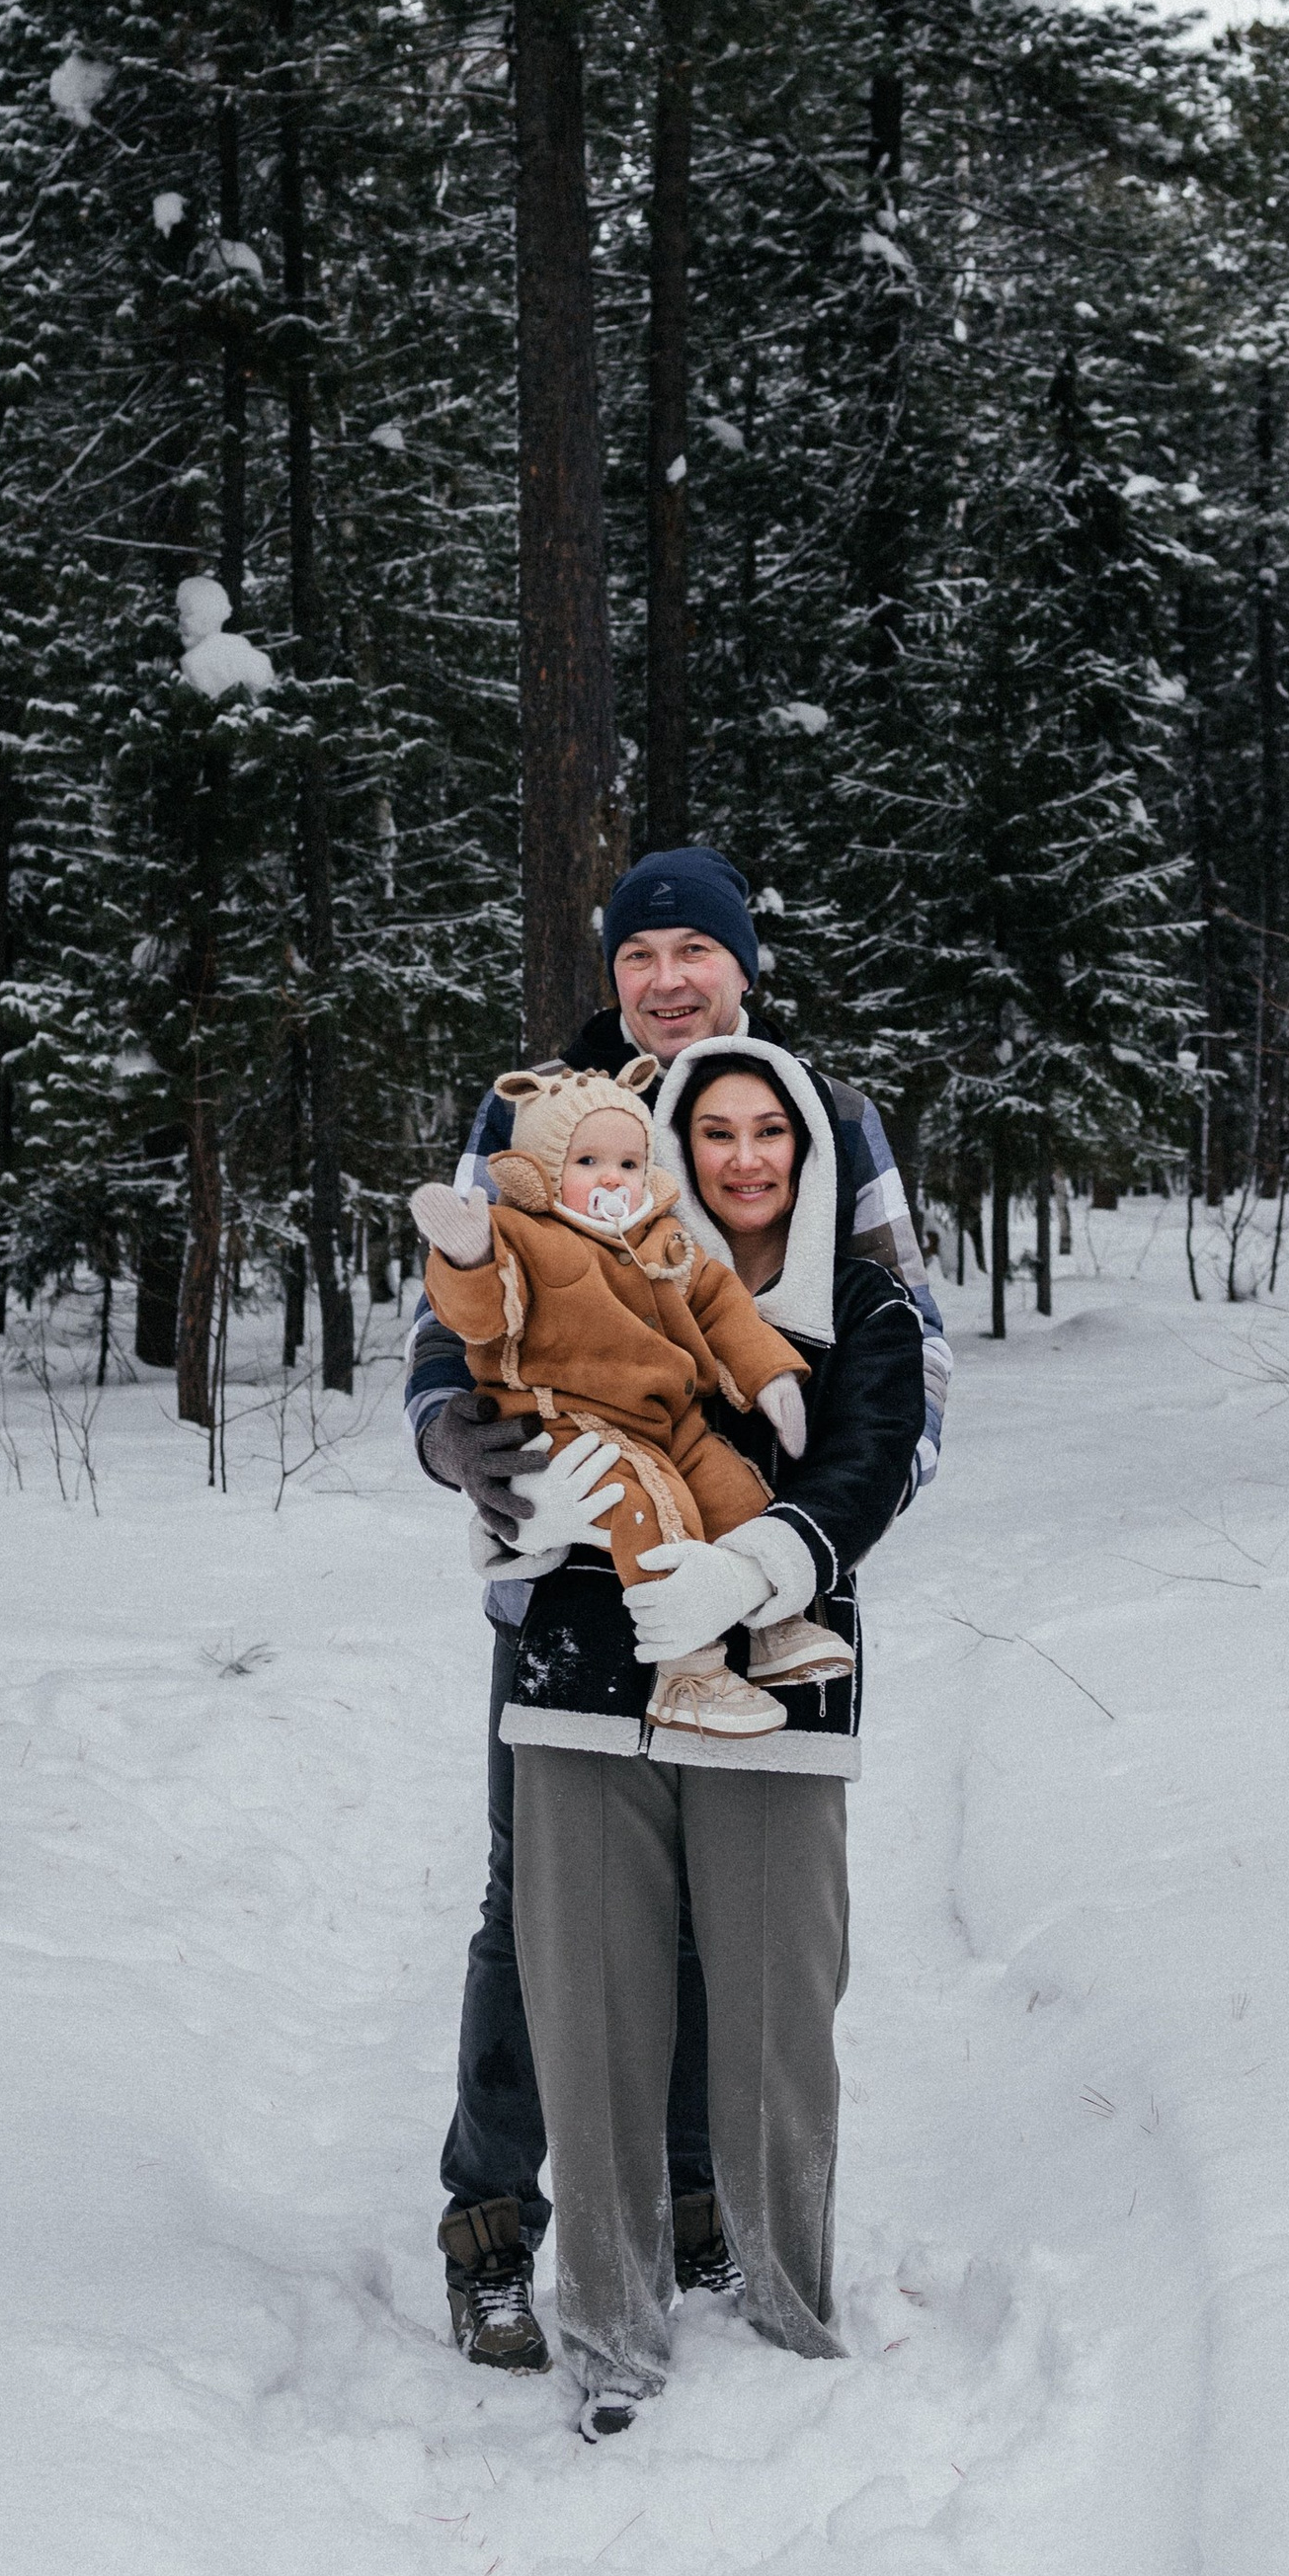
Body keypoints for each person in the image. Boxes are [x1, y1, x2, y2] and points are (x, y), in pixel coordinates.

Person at [412, 842, 949, 2374]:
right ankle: (496, 2223)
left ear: (742, 967)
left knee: (734, 1914)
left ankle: (696, 2198)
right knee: (542, 1914)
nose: (666, 979)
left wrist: (804, 1529)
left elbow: (901, 1344)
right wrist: (469, 1457)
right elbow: (454, 1334)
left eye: (693, 954)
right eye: (638, 957)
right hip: (568, 1584)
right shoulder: (532, 1111)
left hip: (755, 1547)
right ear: (611, 979)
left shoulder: (817, 1115)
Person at [499, 1038, 927, 2435]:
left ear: (805, 1150)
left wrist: (765, 1568)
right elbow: (476, 1399)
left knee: (773, 2019)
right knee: (592, 2015)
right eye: (716, 1132)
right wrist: (512, 1501)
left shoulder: (859, 1299)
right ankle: (614, 2336)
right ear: (670, 1147)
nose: (745, 1158)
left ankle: (792, 2320)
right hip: (582, 1675)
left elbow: (871, 1458)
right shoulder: (569, 1257)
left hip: (780, 1692)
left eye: (772, 1133)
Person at [408, 1060, 853, 1737]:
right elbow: (479, 1317)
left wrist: (769, 1375)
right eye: (588, 1160)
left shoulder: (664, 1238)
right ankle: (689, 1669)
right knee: (649, 1510)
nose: (612, 1178)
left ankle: (775, 1627)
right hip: (567, 1425)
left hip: (667, 1422)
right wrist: (468, 1260)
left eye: (628, 1161)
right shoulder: (523, 1237)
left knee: (736, 1491)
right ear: (544, 1169)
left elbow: (721, 1305)